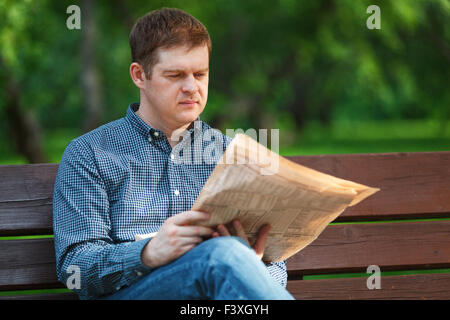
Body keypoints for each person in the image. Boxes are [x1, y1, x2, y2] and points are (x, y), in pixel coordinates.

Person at [53, 7, 294, 300]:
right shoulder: (90, 153)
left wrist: (248, 269)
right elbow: (74, 268)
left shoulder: (230, 153)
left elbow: (277, 264)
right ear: (139, 75)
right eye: (176, 75)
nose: (192, 87)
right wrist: (147, 252)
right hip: (132, 294)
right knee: (218, 256)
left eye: (200, 74)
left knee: (224, 258)